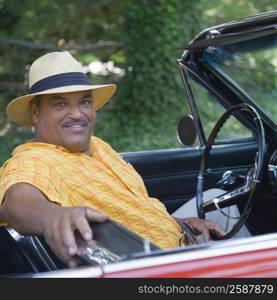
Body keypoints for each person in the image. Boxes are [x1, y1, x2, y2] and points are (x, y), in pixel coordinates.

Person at [0, 51, 225, 268]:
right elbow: (16, 201)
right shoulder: (35, 159)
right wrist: (52, 216)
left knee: (217, 199)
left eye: (85, 102)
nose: (77, 113)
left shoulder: (99, 146)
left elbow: (133, 215)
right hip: (159, 268)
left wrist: (181, 224)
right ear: (36, 113)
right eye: (60, 104)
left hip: (181, 241)